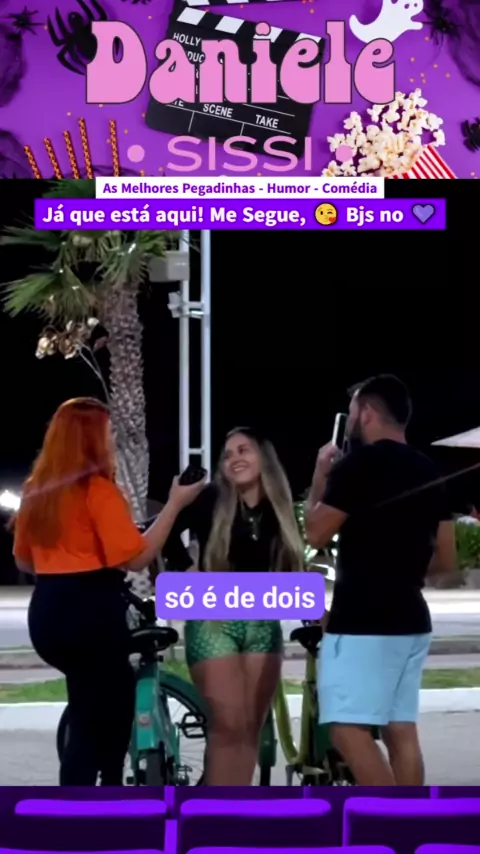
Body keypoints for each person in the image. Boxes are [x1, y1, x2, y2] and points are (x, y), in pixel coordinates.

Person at [12, 397, 205, 786]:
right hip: (91, 612)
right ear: (90, 439)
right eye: (109, 431)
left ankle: (103, 791)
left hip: (48, 613)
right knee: (99, 716)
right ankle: (94, 800)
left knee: (92, 702)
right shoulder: (97, 490)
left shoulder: (37, 492)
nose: (114, 439)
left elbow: (24, 561)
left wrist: (72, 557)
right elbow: (138, 558)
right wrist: (175, 504)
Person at [305, 375, 456, 786]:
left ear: (367, 412)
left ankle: (390, 817)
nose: (351, 417)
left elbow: (315, 533)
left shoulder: (357, 466)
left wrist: (321, 476)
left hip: (362, 620)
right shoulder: (430, 469)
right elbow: (446, 561)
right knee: (399, 729)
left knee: (345, 729)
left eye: (353, 409)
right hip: (411, 617)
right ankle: (412, 818)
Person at [163, 426, 305, 786]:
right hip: (213, 624)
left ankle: (235, 808)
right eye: (227, 455)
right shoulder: (210, 499)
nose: (234, 459)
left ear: (263, 457)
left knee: (249, 728)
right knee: (227, 726)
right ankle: (214, 813)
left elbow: (292, 569)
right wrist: (189, 571)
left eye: (243, 450)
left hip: (263, 626)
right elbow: (165, 533)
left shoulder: (278, 507)